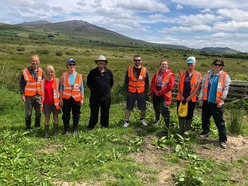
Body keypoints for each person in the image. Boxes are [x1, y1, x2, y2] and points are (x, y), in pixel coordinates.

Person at [198, 58, 231, 149]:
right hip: (207, 101)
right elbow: (203, 87)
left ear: (222, 66)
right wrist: (200, 98)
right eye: (215, 64)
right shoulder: (208, 74)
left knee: (219, 122)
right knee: (205, 118)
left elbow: (225, 90)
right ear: (213, 65)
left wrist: (221, 100)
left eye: (219, 65)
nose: (217, 66)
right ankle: (206, 132)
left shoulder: (225, 76)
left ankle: (223, 140)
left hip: (216, 103)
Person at [86, 55, 114, 129]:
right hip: (95, 97)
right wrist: (95, 90)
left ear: (105, 63)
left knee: (105, 113)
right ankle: (91, 126)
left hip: (106, 97)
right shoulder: (92, 72)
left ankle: (104, 125)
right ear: (97, 63)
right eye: (99, 61)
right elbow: (88, 83)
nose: (101, 62)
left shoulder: (109, 72)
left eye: (103, 61)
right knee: (94, 113)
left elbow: (111, 83)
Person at [176, 56, 201, 136]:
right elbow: (178, 85)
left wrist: (190, 96)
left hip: (191, 98)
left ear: (195, 64)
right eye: (189, 64)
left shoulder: (198, 74)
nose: (190, 66)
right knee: (180, 112)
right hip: (181, 97)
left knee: (189, 114)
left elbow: (197, 87)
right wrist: (180, 95)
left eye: (192, 64)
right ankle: (181, 128)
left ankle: (186, 130)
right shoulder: (183, 73)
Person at [123, 54, 149, 127]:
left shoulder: (145, 70)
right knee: (129, 107)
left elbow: (147, 81)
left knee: (143, 108)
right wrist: (127, 91)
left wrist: (145, 92)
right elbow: (126, 81)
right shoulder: (129, 69)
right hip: (131, 92)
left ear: (141, 61)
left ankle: (142, 120)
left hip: (141, 92)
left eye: (139, 60)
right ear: (134, 61)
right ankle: (126, 121)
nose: (137, 61)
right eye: (136, 60)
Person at [60, 58, 84, 136]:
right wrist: (60, 99)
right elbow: (61, 88)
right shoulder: (63, 75)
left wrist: (82, 99)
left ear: (75, 66)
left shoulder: (79, 76)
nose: (72, 66)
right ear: (67, 66)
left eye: (73, 64)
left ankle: (75, 130)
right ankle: (66, 130)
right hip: (66, 98)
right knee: (66, 115)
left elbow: (82, 88)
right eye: (70, 64)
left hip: (76, 98)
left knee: (76, 114)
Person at [19, 54, 44, 130]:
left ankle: (37, 127)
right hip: (28, 96)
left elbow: (43, 83)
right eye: (33, 61)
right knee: (28, 113)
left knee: (39, 112)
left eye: (36, 61)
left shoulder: (41, 71)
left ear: (38, 62)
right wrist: (23, 94)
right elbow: (22, 83)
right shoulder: (25, 71)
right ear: (31, 61)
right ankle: (28, 127)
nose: (35, 62)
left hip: (38, 96)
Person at [150, 60, 175, 132]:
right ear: (160, 65)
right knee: (156, 107)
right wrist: (155, 91)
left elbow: (170, 86)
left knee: (164, 109)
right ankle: (157, 119)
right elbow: (152, 83)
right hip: (156, 92)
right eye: (162, 64)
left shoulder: (170, 74)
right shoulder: (157, 73)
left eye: (165, 64)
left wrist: (160, 92)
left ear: (167, 66)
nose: (164, 66)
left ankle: (167, 125)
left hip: (164, 94)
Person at [41, 65, 61, 138]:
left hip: (55, 103)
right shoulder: (43, 82)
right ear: (46, 73)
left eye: (51, 72)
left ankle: (55, 132)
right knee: (47, 117)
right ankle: (47, 133)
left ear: (53, 72)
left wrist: (60, 100)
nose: (50, 73)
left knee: (56, 117)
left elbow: (60, 91)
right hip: (46, 103)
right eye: (48, 72)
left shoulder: (57, 81)